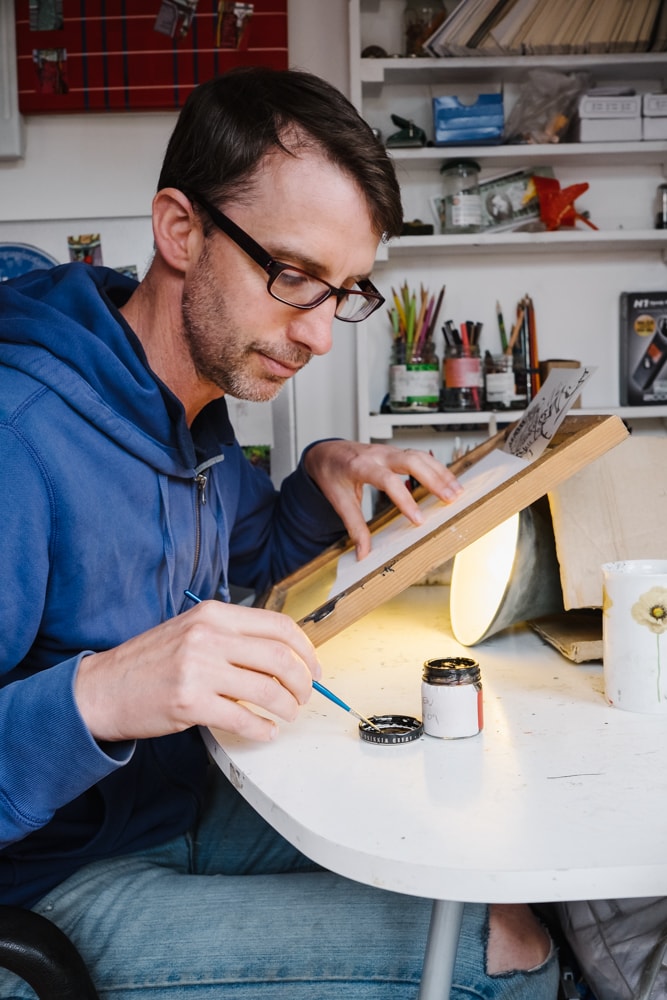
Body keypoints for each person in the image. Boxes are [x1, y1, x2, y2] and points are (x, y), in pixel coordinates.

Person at [0, 66, 559, 998]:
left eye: (344, 291)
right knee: (507, 956)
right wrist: (100, 694)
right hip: (56, 878)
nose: (320, 335)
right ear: (180, 229)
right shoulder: (20, 434)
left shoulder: (189, 403)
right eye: (293, 276)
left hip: (174, 802)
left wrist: (317, 478)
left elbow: (248, 561)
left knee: (495, 866)